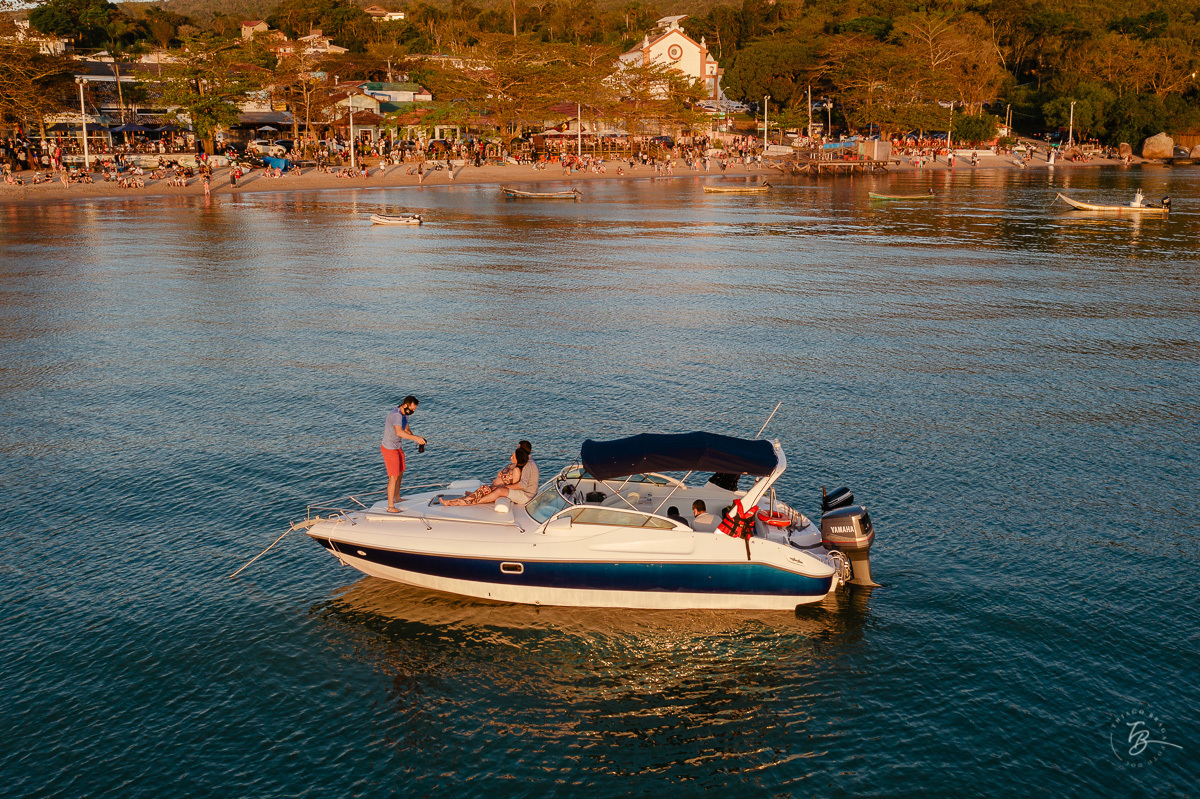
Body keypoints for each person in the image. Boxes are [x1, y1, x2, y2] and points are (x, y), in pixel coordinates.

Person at [381, 395, 426, 512]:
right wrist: (415, 438)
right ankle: (391, 506)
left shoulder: (404, 414)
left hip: (397, 447)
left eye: (414, 410)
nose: (412, 412)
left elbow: (406, 430)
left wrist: (417, 438)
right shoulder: (396, 415)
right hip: (390, 448)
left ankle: (397, 497)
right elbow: (399, 432)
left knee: (400, 472)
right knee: (393, 477)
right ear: (405, 405)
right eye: (411, 409)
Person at [440, 447, 528, 506]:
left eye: (513, 457)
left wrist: (499, 487)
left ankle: (457, 502)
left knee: (481, 491)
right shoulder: (512, 466)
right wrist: (501, 474)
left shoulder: (517, 470)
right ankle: (451, 502)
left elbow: (513, 485)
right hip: (494, 486)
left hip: (497, 488)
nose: (511, 457)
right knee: (477, 493)